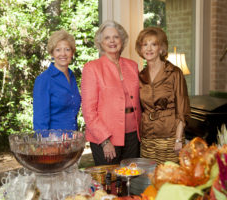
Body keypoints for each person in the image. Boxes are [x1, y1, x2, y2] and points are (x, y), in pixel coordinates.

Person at [81, 20, 141, 166]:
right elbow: (89, 111)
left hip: (133, 134)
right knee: (111, 182)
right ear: (101, 43)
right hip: (107, 137)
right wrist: (104, 140)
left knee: (131, 180)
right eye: (107, 38)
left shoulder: (132, 66)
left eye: (116, 37)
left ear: (122, 40)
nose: (112, 41)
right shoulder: (92, 68)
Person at [135, 27, 190, 164]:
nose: (149, 49)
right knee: (149, 180)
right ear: (141, 49)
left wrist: (178, 139)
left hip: (170, 137)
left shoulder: (174, 73)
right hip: (147, 138)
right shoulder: (140, 76)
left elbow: (182, 109)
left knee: (171, 179)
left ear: (161, 48)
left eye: (153, 44)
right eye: (145, 45)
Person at [33, 30, 81, 135]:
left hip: (72, 142)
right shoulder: (44, 80)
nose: (63, 54)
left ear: (72, 52)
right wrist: (45, 146)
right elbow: (40, 121)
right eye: (58, 50)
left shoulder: (72, 77)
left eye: (67, 49)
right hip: (53, 144)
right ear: (52, 53)